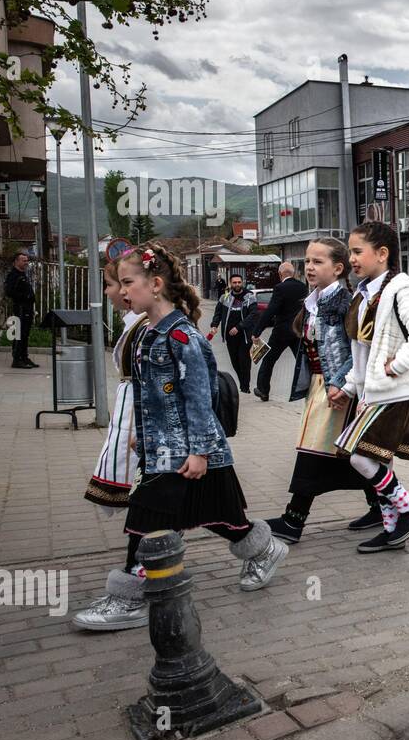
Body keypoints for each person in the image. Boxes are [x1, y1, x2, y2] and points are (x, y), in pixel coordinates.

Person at [115, 245, 287, 592]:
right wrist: (143, 434)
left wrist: (200, 452)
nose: (121, 291)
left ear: (156, 284)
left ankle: (134, 592)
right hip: (163, 451)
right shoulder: (149, 333)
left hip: (189, 453)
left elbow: (198, 400)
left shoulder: (182, 337)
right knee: (210, 518)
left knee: (152, 519)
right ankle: (261, 550)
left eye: (127, 282)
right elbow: (150, 395)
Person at [336, 220, 409, 553]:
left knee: (357, 457)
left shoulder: (401, 290)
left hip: (395, 393)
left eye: (357, 251)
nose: (352, 258)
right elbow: (362, 351)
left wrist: (396, 366)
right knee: (380, 462)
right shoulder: (365, 292)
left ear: (382, 253)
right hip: (373, 393)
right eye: (350, 251)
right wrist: (351, 387)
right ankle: (392, 530)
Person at [264, 239, 375, 543]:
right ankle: (382, 504)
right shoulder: (315, 300)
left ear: (338, 268)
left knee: (314, 450)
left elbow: (359, 351)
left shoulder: (344, 303)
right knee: (350, 451)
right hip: (319, 385)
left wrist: (341, 382)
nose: (309, 268)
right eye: (307, 262)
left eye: (317, 262)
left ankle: (293, 519)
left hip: (337, 388)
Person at [73, 256, 150, 630]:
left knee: (154, 505)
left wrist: (148, 431)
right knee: (163, 506)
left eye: (117, 283)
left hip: (157, 433)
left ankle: (136, 589)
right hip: (142, 425)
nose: (110, 291)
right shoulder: (138, 324)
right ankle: (136, 583)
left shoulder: (159, 327)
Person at [249, 261, 308, 402]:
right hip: (298, 331)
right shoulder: (303, 287)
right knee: (302, 361)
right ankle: (309, 389)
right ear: (293, 273)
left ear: (280, 274)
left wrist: (257, 331)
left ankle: (263, 391)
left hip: (281, 333)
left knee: (269, 360)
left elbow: (270, 311)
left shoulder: (280, 288)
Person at [208, 272, 258, 393]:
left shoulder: (250, 296)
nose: (237, 284)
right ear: (230, 283)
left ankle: (245, 388)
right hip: (230, 337)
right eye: (234, 282)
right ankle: (243, 385)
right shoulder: (224, 297)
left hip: (244, 336)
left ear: (242, 283)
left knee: (244, 362)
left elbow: (253, 315)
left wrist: (239, 327)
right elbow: (218, 314)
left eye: (239, 282)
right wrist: (214, 325)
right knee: (235, 363)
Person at [4, 251, 37, 369]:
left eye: (27, 260)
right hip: (20, 309)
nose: (26, 262)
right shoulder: (14, 275)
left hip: (27, 309)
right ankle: (17, 359)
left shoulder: (23, 274)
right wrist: (25, 297)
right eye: (24, 260)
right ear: (16, 262)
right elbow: (9, 291)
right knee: (19, 334)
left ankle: (24, 357)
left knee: (25, 334)